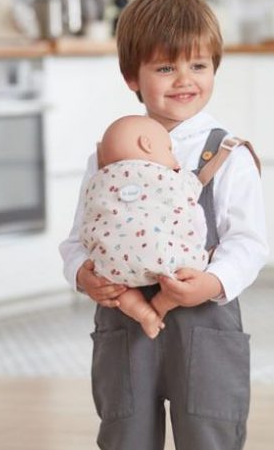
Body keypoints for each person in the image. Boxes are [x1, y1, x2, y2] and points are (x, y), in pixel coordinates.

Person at [37, 0, 269, 450]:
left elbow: (249, 243)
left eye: (198, 64)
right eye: (166, 67)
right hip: (123, 320)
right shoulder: (106, 155)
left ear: (215, 68)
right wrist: (83, 275)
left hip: (205, 323)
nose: (184, 79)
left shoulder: (228, 154)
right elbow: (78, 238)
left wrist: (211, 283)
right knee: (124, 439)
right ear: (132, 77)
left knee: (210, 439)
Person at [81, 113, 208, 338]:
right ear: (147, 144)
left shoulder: (99, 180)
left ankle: (142, 312)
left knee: (117, 288)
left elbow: (87, 221)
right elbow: (195, 214)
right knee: (186, 277)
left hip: (111, 263)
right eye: (169, 150)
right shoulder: (175, 178)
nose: (175, 159)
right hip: (168, 260)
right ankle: (162, 304)